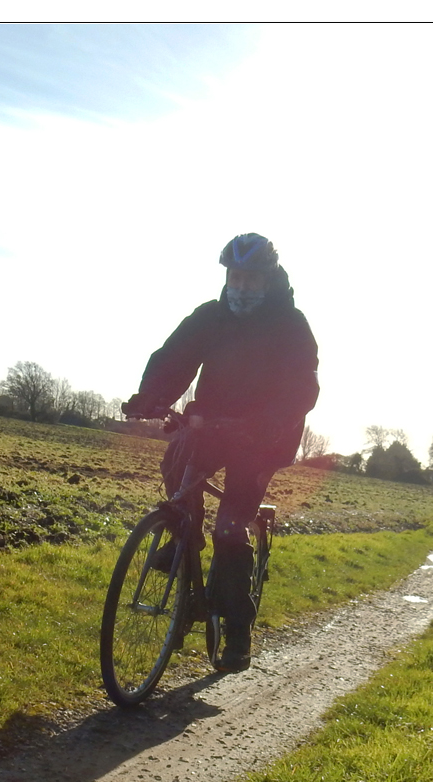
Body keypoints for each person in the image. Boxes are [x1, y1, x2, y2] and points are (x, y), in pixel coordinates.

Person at [121, 233, 319, 671]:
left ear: (268, 281)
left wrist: (268, 422)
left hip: (266, 434)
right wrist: (148, 397)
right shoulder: (210, 317)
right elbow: (174, 357)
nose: (241, 287)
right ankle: (181, 536)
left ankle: (237, 631)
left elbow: (302, 386)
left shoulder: (290, 325)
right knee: (179, 461)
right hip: (211, 421)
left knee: (230, 527)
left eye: (251, 279)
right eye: (235, 277)